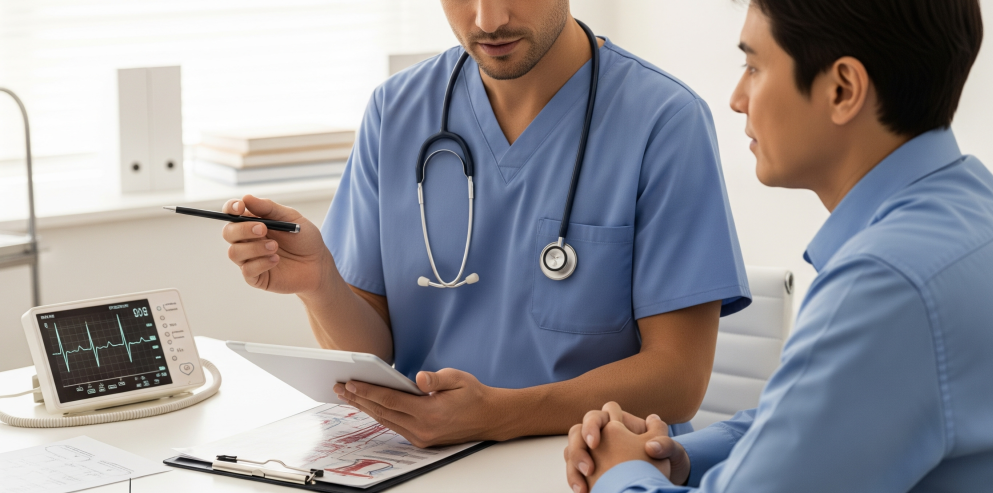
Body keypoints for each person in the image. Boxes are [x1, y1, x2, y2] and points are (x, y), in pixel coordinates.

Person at [565, 0, 993, 493]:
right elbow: (817, 423)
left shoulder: (889, 283)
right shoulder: (981, 213)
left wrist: (619, 477)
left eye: (754, 67)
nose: (737, 99)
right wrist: (675, 456)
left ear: (842, 90)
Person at [219, 0, 751, 447]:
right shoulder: (397, 110)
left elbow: (678, 379)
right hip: (426, 469)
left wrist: (499, 415)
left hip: (596, 469)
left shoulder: (663, 120)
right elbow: (373, 359)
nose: (487, 19)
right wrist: (319, 283)